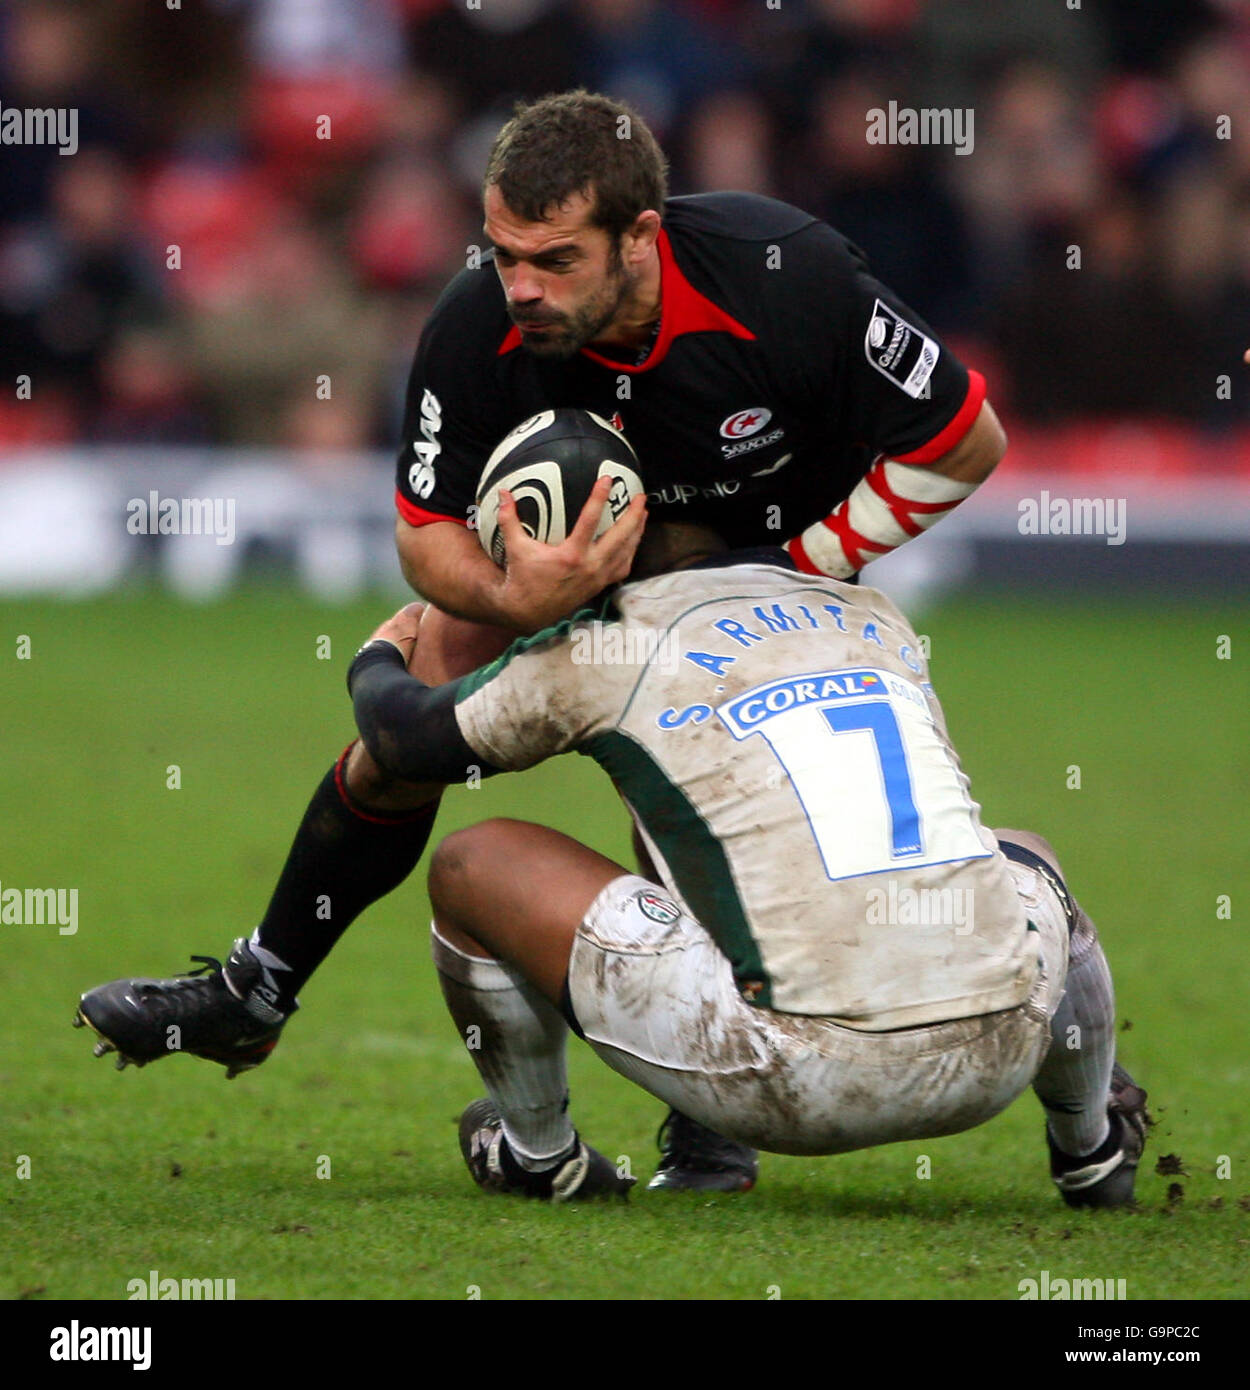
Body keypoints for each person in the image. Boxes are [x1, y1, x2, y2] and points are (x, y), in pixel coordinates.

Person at [74, 87, 1008, 1191]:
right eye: (505, 251)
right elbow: (423, 539)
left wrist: (804, 564)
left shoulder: (784, 273)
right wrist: (513, 600)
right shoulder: (479, 324)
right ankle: (259, 989)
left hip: (767, 576)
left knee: (689, 768)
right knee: (424, 674)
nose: (522, 286)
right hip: (565, 567)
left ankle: (712, 1116)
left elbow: (963, 440)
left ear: (641, 238)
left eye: (555, 259)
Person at [335, 517, 1149, 1204]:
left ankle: (539, 1157)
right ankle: (1091, 1145)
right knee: (1025, 854)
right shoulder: (874, 615)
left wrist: (378, 654)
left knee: (475, 862)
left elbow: (409, 741)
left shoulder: (611, 647)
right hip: (1003, 1047)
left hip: (804, 1079)